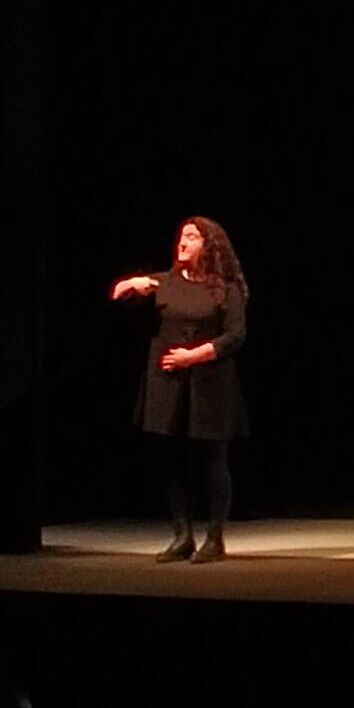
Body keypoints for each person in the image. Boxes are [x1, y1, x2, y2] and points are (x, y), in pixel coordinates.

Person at [110, 218, 247, 561]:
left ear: (209, 246)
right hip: (168, 385)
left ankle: (214, 539)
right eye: (181, 237)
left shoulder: (225, 288)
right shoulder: (164, 282)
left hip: (210, 385)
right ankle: (182, 535)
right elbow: (118, 298)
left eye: (191, 237)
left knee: (213, 460)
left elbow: (235, 336)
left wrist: (193, 357)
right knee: (172, 460)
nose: (182, 243)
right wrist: (131, 283)